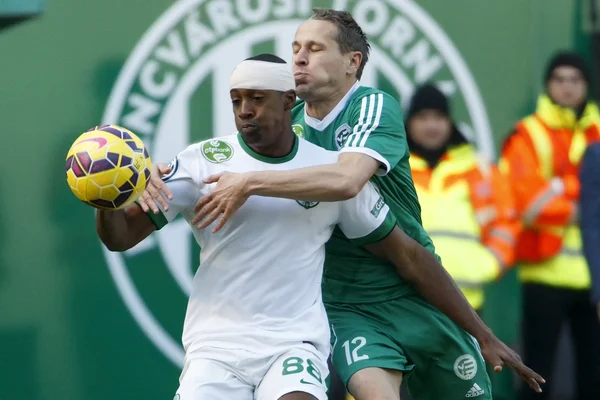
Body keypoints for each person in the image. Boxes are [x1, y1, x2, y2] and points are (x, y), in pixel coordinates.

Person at [140, 10, 544, 400]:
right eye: (296, 46)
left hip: (411, 286)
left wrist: (250, 183)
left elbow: (348, 181)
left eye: (315, 48)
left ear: (353, 62)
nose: (298, 56)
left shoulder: (370, 106)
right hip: (346, 305)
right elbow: (226, 157)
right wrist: (162, 174)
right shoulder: (285, 122)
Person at [500, 51, 600, 400]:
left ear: (586, 85)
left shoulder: (598, 129)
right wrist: (585, 202)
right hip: (545, 271)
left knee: (595, 375)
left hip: (595, 275)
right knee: (538, 376)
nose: (567, 87)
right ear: (547, 85)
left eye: (575, 79)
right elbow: (523, 199)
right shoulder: (528, 133)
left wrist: (561, 191)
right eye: (559, 79)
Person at [405, 83, 520, 314]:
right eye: (423, 117)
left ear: (450, 122)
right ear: (409, 123)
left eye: (439, 117)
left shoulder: (480, 169)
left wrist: (490, 264)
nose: (431, 125)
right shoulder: (394, 169)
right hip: (409, 301)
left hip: (468, 304)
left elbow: (507, 221)